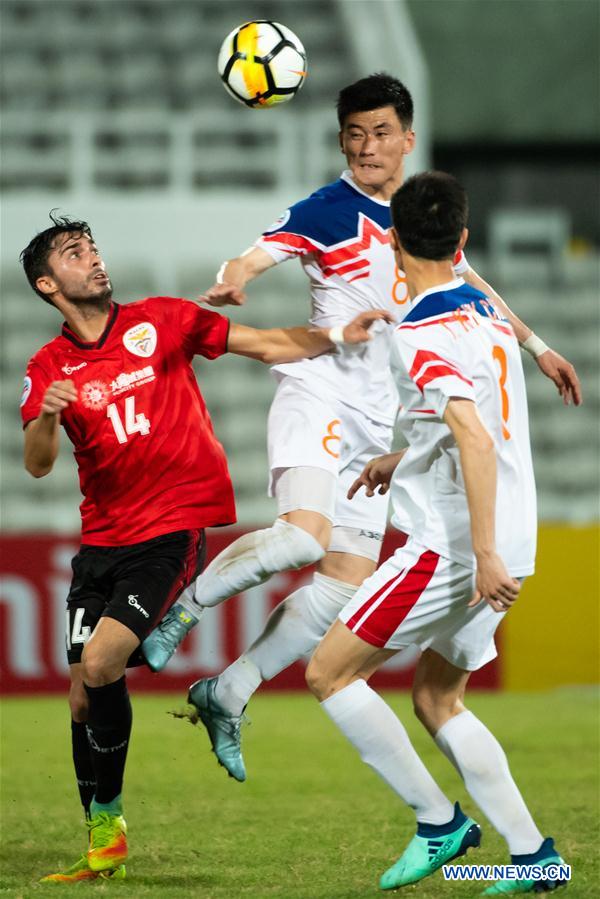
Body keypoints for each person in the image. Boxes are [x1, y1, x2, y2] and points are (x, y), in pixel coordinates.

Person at [142, 73, 581, 783]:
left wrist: (538, 348)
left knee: (344, 586)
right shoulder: (327, 208)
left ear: (408, 139)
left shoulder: (418, 216)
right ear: (341, 141)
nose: (366, 146)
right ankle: (184, 609)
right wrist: (235, 279)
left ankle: (228, 690)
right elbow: (255, 251)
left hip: (380, 423)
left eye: (380, 133)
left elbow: (475, 284)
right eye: (354, 134)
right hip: (318, 393)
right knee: (301, 536)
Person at [19, 213, 385, 884]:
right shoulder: (47, 367)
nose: (95, 259)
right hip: (101, 539)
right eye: (76, 253)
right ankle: (102, 836)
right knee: (80, 692)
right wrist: (47, 413)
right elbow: (37, 463)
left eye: (94, 247)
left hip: (170, 531)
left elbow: (267, 342)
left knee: (102, 661)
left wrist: (337, 334)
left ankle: (108, 822)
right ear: (49, 284)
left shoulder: (163, 320)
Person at [305, 171, 568, 894]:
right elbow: (467, 419)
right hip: (516, 533)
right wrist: (406, 455)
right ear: (462, 240)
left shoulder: (417, 331)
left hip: (455, 546)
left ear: (392, 242)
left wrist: (478, 553)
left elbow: (475, 439)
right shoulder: (483, 307)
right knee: (436, 697)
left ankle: (438, 822)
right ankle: (533, 856)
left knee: (329, 673)